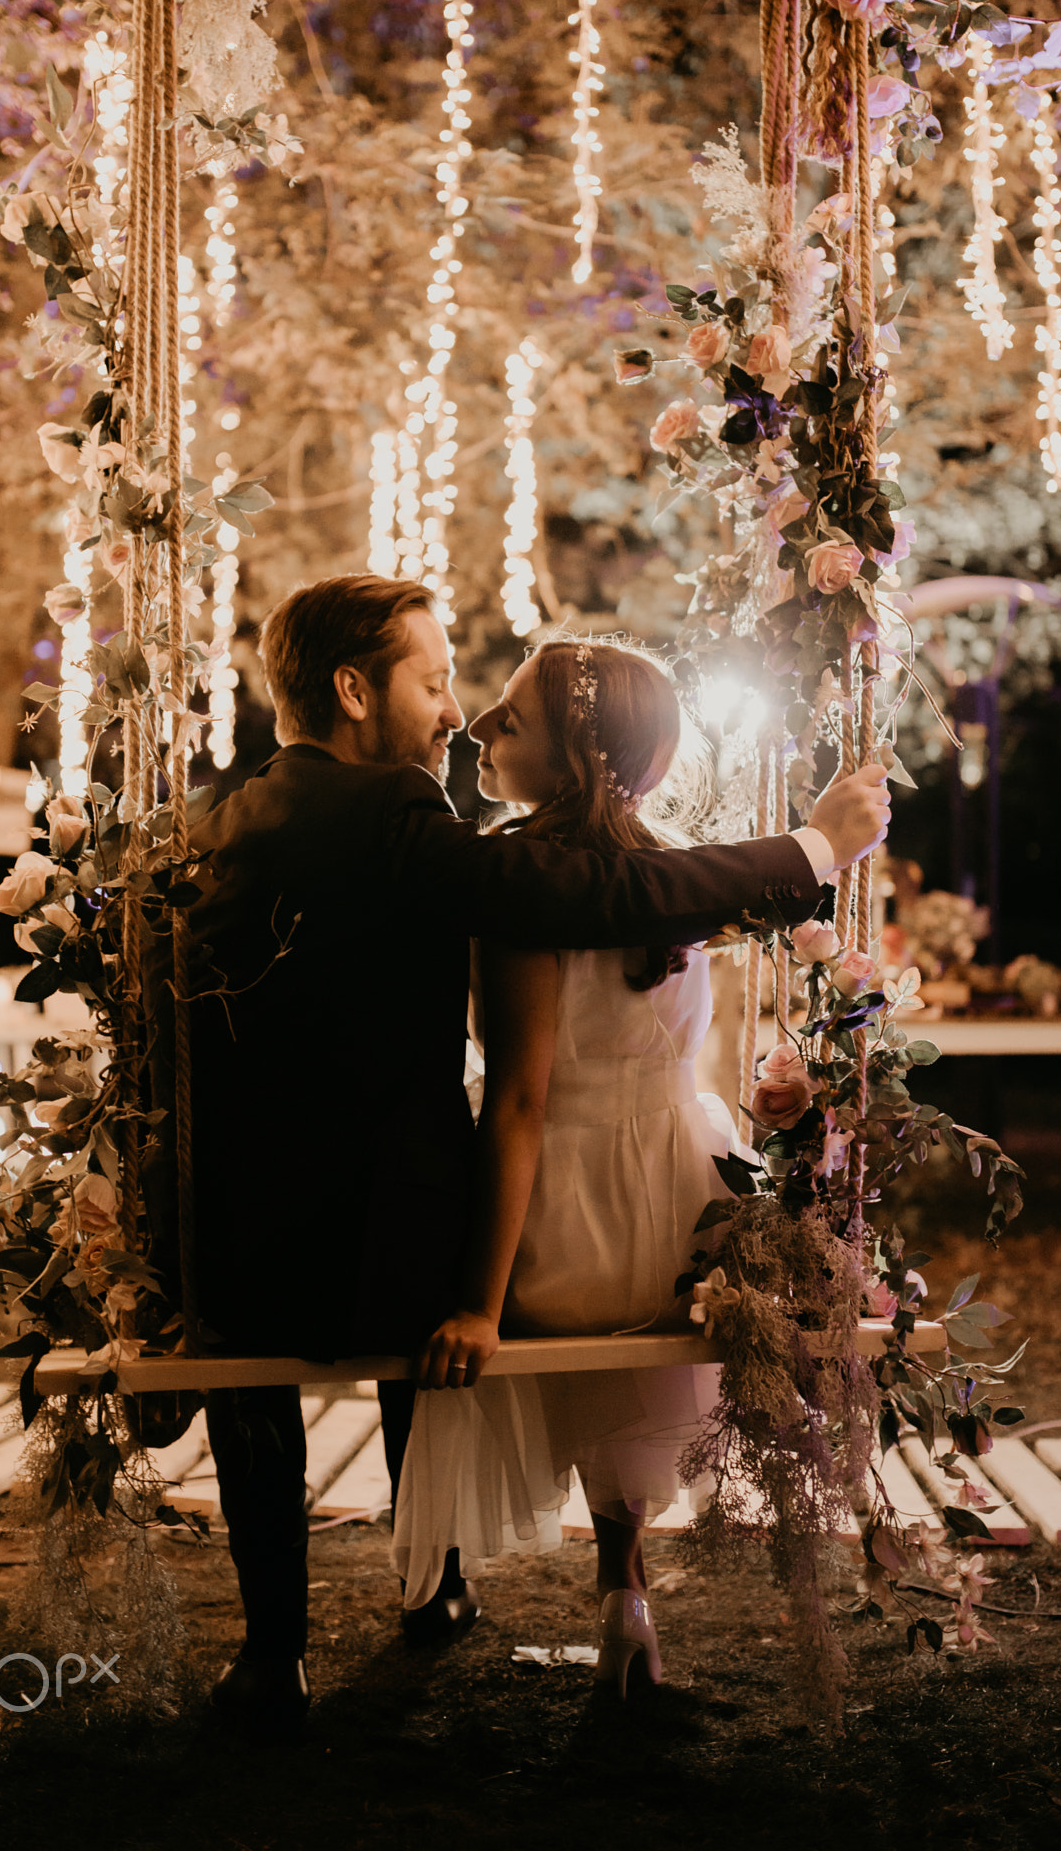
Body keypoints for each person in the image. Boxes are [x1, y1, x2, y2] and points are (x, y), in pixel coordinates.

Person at [147, 575, 889, 1738]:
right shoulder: (394, 817)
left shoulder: (221, 817)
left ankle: (280, 1645)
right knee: (418, 1300)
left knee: (256, 1381)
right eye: (436, 681)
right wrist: (807, 847)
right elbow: (600, 886)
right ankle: (433, 1579)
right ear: (352, 689)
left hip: (245, 1223)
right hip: (400, 1220)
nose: (455, 713)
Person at [392, 636, 796, 1697]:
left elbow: (521, 1101)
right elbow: (686, 1051)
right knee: (640, 1374)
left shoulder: (527, 891)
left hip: (565, 1202)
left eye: (509, 719)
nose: (478, 726)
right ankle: (625, 1588)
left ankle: (617, 1592)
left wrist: (477, 1304)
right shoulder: (672, 876)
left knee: (567, 1336)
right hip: (678, 1190)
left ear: (575, 755)